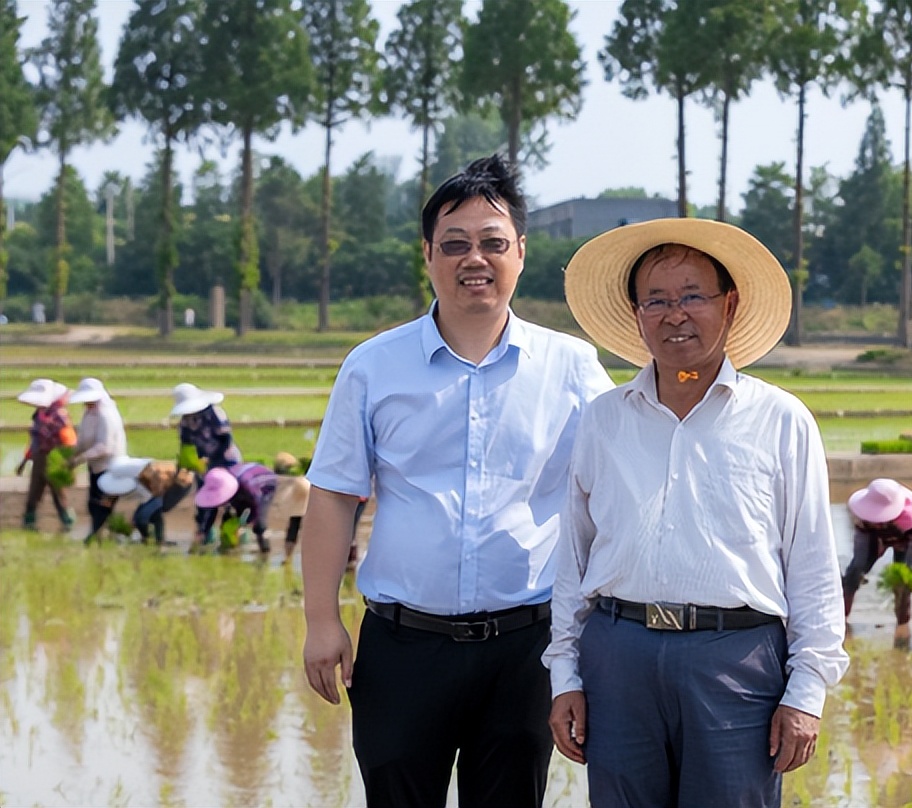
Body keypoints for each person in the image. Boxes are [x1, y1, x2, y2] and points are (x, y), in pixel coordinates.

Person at [301, 154, 613, 807]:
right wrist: (321, 620)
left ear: (521, 252)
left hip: (525, 649)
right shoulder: (374, 367)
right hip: (402, 644)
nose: (476, 258)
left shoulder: (571, 368)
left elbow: (611, 498)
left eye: (494, 243)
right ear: (428, 254)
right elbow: (334, 496)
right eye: (456, 244)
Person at [543, 218, 848, 808]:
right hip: (618, 655)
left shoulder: (781, 421)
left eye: (691, 297)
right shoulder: (603, 421)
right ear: (636, 314)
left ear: (729, 305)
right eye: (655, 300)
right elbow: (573, 560)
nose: (674, 315)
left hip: (734, 661)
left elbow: (812, 565)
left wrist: (806, 690)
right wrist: (566, 676)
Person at [842, 478, 912, 642]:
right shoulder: (863, 516)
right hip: (871, 535)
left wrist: (911, 568)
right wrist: (869, 558)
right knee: (855, 570)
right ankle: (841, 617)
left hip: (906, 541)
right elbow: (863, 544)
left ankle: (902, 625)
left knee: (904, 579)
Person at [170, 383, 241, 548]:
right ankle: (203, 535)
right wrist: (185, 467)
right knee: (205, 500)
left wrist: (213, 461)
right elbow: (186, 446)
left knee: (228, 498)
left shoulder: (214, 413)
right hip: (204, 466)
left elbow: (226, 439)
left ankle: (231, 535)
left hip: (226, 460)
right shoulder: (185, 422)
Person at [68, 378, 128, 542]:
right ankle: (104, 535)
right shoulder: (88, 413)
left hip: (110, 466)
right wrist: (72, 455)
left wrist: (80, 459)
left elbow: (105, 446)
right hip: (95, 466)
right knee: (93, 503)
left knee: (102, 504)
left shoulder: (106, 415)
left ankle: (97, 536)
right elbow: (83, 440)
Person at [16, 378, 77, 530]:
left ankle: (67, 522)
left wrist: (67, 462)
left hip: (54, 459)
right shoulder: (39, 415)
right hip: (39, 458)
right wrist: (24, 461)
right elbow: (35, 441)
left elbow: (70, 441)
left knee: (58, 493)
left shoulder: (59, 416)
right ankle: (29, 521)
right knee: (34, 492)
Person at [194, 463, 278, 554]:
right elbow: (212, 511)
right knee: (229, 519)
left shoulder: (248, 487)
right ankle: (229, 547)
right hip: (240, 484)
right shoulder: (219, 483)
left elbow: (255, 508)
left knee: (259, 524)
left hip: (265, 484)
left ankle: (265, 552)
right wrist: (203, 531)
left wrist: (244, 523)